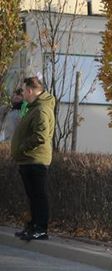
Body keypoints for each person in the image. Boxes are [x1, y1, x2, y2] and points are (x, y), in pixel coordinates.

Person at [10, 77, 56, 241]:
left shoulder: (41, 109)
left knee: (38, 196)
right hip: (28, 159)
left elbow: (40, 136)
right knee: (32, 196)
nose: (22, 94)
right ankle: (32, 226)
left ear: (30, 90)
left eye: (23, 91)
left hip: (35, 160)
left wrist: (22, 148)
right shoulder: (33, 108)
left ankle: (40, 229)